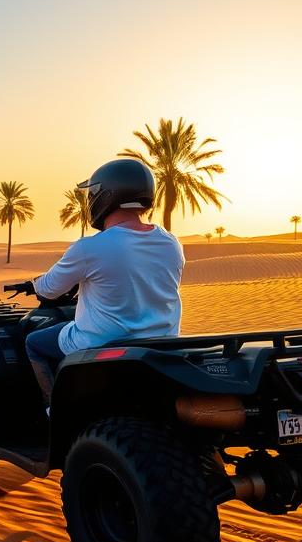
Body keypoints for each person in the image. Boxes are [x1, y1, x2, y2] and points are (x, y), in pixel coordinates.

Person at [20, 158, 185, 414]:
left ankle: (56, 410)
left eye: (93, 193)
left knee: (34, 343)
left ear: (105, 195)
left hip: (101, 341)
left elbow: (50, 288)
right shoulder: (171, 243)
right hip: (161, 342)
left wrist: (34, 284)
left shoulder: (91, 247)